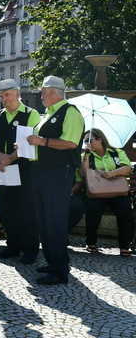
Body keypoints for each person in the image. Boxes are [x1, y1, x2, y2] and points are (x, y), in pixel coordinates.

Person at [27, 75, 85, 285]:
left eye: (43, 92)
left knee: (55, 221)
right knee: (44, 220)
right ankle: (53, 262)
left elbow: (70, 143)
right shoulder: (48, 114)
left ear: (54, 92)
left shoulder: (70, 112)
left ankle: (60, 271)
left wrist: (41, 141)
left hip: (58, 173)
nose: (41, 95)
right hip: (42, 172)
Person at [0, 79, 41, 264]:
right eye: (1, 95)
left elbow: (28, 143)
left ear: (17, 94)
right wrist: (1, 157)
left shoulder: (30, 114)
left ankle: (30, 249)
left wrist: (9, 158)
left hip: (24, 169)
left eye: (7, 94)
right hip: (1, 168)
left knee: (27, 210)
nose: (3, 98)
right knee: (7, 209)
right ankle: (13, 246)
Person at [80, 128, 133, 257]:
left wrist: (111, 173)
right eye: (85, 141)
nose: (87, 143)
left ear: (100, 139)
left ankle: (125, 246)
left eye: (89, 140)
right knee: (93, 209)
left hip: (118, 191)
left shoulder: (116, 152)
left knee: (125, 210)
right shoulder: (86, 155)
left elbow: (127, 168)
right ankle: (91, 242)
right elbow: (83, 174)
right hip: (96, 192)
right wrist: (86, 155)